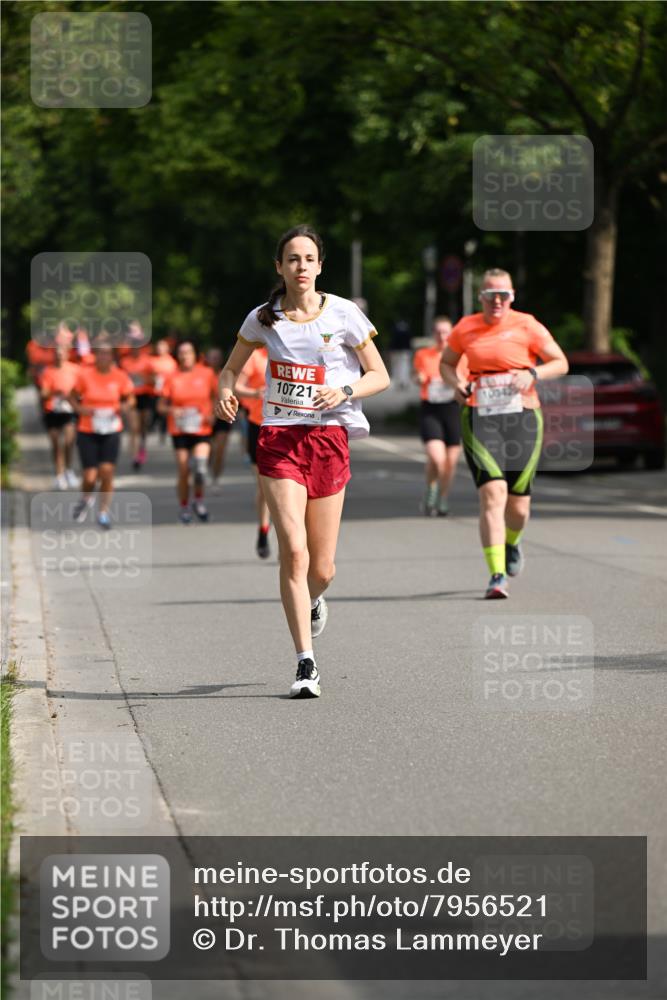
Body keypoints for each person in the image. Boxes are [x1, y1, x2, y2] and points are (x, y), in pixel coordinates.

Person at [216, 224, 390, 699]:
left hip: (329, 438)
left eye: (309, 259)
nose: (301, 267)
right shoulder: (263, 318)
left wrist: (345, 389)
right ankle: (305, 662)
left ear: (320, 266)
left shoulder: (344, 313)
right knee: (294, 551)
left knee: (323, 567)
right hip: (279, 439)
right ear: (280, 267)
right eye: (292, 259)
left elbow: (379, 374)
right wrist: (225, 392)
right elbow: (230, 368)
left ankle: (313, 599)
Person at [440, 268, 568, 599]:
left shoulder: (527, 324)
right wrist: (457, 384)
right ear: (480, 297)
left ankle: (513, 542)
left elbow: (560, 362)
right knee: (492, 493)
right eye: (490, 295)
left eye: (503, 295)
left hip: (523, 417)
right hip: (480, 416)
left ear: (512, 297)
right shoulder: (466, 327)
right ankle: (497, 575)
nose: (497, 301)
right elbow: (446, 364)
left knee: (518, 506)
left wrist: (533, 373)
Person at [68, 340, 136, 529]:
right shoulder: (85, 376)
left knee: (107, 471)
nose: (104, 357)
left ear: (112, 356)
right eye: (100, 353)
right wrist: (80, 409)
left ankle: (103, 512)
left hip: (111, 428)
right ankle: (86, 498)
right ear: (95, 355)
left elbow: (131, 398)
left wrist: (124, 407)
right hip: (88, 429)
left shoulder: (120, 376)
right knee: (90, 476)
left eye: (107, 353)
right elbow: (71, 396)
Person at [158, 341, 218, 524]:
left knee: (200, 467)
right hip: (180, 429)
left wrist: (213, 413)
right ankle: (184, 506)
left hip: (201, 428)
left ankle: (198, 501)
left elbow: (217, 396)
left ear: (195, 355)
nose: (185, 356)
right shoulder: (171, 377)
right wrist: (172, 410)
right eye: (181, 353)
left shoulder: (207, 373)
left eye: (188, 352)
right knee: (184, 470)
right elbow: (160, 406)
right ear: (177, 356)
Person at [412, 315, 466, 516]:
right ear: (433, 334)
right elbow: (416, 375)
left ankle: (442, 498)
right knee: (437, 458)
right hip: (431, 409)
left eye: (446, 332)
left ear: (452, 334)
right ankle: (431, 489)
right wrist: (419, 378)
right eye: (438, 332)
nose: (442, 336)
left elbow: (468, 379)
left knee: (450, 463)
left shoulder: (462, 357)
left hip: (454, 409)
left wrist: (457, 382)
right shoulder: (424, 354)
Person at [235, 345, 271, 558]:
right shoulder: (256, 357)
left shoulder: (297, 349)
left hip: (290, 426)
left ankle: (289, 540)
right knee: (265, 486)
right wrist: (255, 393)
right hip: (259, 424)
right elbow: (237, 386)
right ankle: (263, 529)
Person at [40, 342, 80, 489]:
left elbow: (81, 389)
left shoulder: (75, 370)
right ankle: (59, 474)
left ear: (67, 354)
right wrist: (55, 393)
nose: (59, 355)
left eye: (62, 352)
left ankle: (68, 470)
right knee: (56, 443)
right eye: (56, 353)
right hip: (52, 410)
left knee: (69, 441)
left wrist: (72, 396)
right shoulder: (48, 372)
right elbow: (43, 393)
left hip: (69, 410)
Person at [119, 345, 155, 470]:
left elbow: (154, 379)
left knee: (143, 426)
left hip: (145, 395)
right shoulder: (124, 362)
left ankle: (142, 447)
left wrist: (143, 378)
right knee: (134, 427)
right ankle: (135, 456)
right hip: (131, 396)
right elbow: (120, 378)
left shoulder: (147, 361)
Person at [205, 347, 233, 487]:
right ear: (207, 359)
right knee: (208, 450)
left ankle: (215, 478)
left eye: (217, 357)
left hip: (223, 415)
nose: (215, 360)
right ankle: (204, 471)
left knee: (220, 450)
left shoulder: (226, 374)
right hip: (207, 417)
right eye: (212, 357)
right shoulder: (202, 374)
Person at [149, 339, 177, 441]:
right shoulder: (152, 361)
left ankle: (163, 431)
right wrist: (153, 379)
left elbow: (175, 377)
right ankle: (152, 428)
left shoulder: (172, 362)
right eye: (159, 347)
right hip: (154, 391)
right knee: (154, 412)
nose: (160, 349)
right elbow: (147, 376)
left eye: (162, 347)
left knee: (164, 413)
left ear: (167, 349)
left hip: (166, 392)